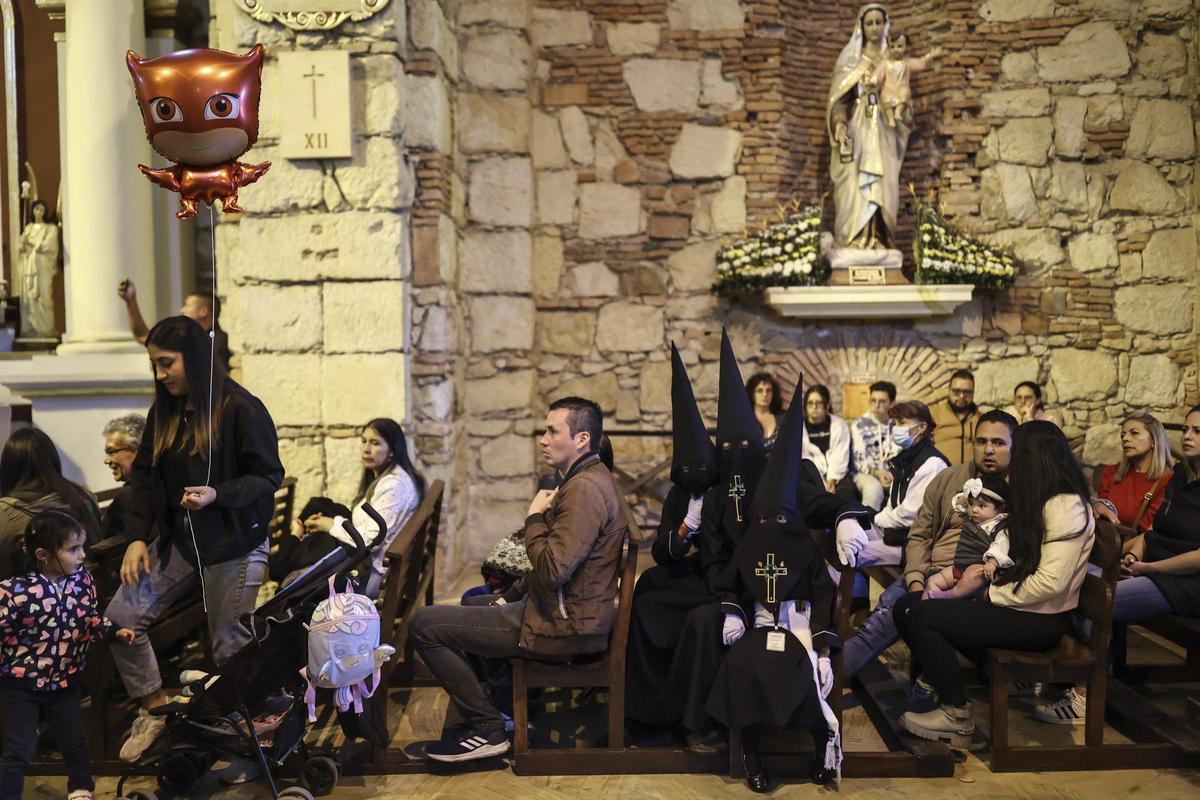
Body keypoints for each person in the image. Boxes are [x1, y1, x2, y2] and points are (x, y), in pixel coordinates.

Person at [409, 396, 627, 763]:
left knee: (423, 623)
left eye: (552, 431)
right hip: (560, 612)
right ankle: (502, 710)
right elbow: (559, 566)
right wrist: (509, 593)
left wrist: (533, 518)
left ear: (582, 439)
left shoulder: (584, 489)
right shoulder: (584, 480)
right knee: (473, 601)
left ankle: (486, 727)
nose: (543, 439)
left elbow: (553, 569)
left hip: (562, 625)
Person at [105, 315, 283, 762]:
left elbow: (267, 478)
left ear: (196, 358)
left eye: (168, 364)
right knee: (120, 617)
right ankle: (155, 710)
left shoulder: (239, 407)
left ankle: (248, 732)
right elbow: (143, 478)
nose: (162, 375)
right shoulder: (163, 410)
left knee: (228, 642)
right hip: (182, 544)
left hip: (233, 543)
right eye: (156, 366)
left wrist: (217, 494)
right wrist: (136, 538)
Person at [895, 421, 1095, 746]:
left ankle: (954, 713)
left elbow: (1050, 583)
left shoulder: (1066, 506)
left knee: (919, 614)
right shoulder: (1043, 498)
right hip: (1020, 608)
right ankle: (944, 696)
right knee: (909, 606)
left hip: (1039, 621)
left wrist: (988, 593)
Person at [704, 376, 846, 791]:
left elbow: (823, 596)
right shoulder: (749, 548)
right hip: (760, 624)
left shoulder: (805, 550)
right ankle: (752, 754)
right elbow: (729, 582)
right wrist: (732, 612)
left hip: (799, 626)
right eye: (765, 519)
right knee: (745, 667)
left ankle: (822, 752)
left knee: (801, 673)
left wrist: (822, 651)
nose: (773, 528)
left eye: (782, 519)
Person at [1035, 405, 1198, 726]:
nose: (1188, 436)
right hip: (1152, 564)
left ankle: (1085, 694)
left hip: (1184, 581)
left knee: (1096, 601)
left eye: (1198, 431)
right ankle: (1053, 671)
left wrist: (1148, 569)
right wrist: (1133, 556)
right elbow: (1154, 531)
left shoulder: (1170, 474)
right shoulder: (1182, 475)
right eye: (1188, 429)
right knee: (1076, 581)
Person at [841, 409, 1017, 679]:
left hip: (983, 586)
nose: (989, 450)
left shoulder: (1022, 487)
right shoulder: (949, 479)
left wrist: (1098, 502)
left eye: (998, 442)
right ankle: (819, 685)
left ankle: (930, 692)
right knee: (879, 623)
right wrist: (915, 581)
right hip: (933, 574)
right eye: (981, 442)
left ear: (1014, 446)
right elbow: (920, 534)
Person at [0, 510, 135, 800]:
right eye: (73, 549)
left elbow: (89, 618)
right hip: (23, 686)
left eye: (82, 547)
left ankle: (81, 788)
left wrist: (113, 632)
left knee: (74, 741)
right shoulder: (15, 592)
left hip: (65, 679)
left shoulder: (81, 581)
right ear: (43, 554)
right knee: (19, 749)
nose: (82, 555)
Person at [626, 344, 723, 748]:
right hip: (695, 569)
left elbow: (725, 549)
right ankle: (639, 705)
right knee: (646, 584)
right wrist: (685, 528)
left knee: (651, 604)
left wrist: (707, 526)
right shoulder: (682, 494)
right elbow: (664, 551)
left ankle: (663, 708)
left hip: (719, 578)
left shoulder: (726, 492)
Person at [298, 418, 424, 597]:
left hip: (374, 573)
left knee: (310, 554)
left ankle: (287, 550)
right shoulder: (388, 476)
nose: (366, 449)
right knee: (319, 505)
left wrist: (331, 525)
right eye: (364, 441)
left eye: (375, 443)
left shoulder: (394, 484)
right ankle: (290, 548)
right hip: (373, 561)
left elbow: (370, 540)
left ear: (392, 451)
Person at [827, 3, 906, 250]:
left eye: (878, 23)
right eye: (869, 23)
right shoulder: (851, 61)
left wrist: (900, 107)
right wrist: (839, 124)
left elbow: (903, 93)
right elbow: (840, 100)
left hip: (883, 127)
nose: (874, 28)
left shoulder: (893, 59)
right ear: (861, 27)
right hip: (858, 126)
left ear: (885, 26)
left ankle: (880, 239)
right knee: (852, 182)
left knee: (883, 184)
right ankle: (854, 240)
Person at [0, 429, 101, 579]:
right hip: (85, 585)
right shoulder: (84, 496)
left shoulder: (6, 512)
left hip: (34, 597)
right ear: (53, 460)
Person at [858, 400, 948, 567]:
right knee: (851, 534)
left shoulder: (932, 463)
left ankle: (827, 592)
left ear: (921, 427)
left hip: (916, 543)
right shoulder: (906, 457)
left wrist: (876, 518)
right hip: (898, 534)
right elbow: (893, 505)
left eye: (901, 423)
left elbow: (910, 514)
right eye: (895, 423)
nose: (896, 428)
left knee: (853, 552)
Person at [923, 476, 1011, 600]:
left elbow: (1001, 545)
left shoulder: (1000, 526)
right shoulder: (972, 517)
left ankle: (951, 595)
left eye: (981, 506)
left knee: (973, 574)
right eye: (971, 504)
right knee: (934, 580)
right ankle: (925, 606)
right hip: (960, 567)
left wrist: (992, 563)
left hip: (983, 570)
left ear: (1001, 508)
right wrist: (965, 499)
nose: (974, 510)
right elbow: (957, 505)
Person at [1091, 411, 1174, 538]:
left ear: (1154, 440)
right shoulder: (1111, 473)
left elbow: (1147, 535)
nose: (1125, 438)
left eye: (1134, 433)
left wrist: (1115, 555)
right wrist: (1096, 505)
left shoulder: (1167, 480)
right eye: (1123, 435)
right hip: (1103, 544)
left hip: (1133, 553)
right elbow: (1101, 519)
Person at [117, 279, 232, 369]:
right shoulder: (182, 336)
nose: (182, 310)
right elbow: (142, 336)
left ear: (203, 311)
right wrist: (131, 301)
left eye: (187, 305)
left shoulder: (218, 340)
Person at [850, 380, 897, 510]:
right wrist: (878, 473)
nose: (876, 405)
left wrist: (893, 475)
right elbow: (859, 461)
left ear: (892, 403)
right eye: (873, 400)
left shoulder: (899, 425)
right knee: (874, 489)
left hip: (893, 474)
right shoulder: (859, 424)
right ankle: (866, 528)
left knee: (905, 488)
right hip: (866, 473)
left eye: (882, 401)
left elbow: (903, 456)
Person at [879, 31, 941, 127]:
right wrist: (872, 80)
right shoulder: (885, 64)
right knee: (886, 98)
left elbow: (919, 62)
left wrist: (930, 56)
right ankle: (890, 118)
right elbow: (878, 74)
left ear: (905, 47)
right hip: (888, 88)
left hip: (902, 87)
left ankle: (898, 112)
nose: (896, 50)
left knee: (904, 93)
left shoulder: (907, 63)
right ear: (888, 48)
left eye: (899, 46)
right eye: (892, 47)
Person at [100, 414, 147, 540]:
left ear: (139, 451)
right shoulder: (156, 484)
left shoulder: (129, 497)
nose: (106, 460)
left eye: (112, 452)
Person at [18, 200, 60, 338]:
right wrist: (22, 244)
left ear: (45, 212)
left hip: (42, 268)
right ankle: (30, 328)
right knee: (30, 297)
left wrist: (30, 243)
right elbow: (21, 249)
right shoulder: (28, 228)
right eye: (36, 209)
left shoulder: (50, 228)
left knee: (43, 297)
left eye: (41, 209)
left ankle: (46, 329)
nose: (39, 212)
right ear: (32, 211)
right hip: (29, 267)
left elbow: (48, 246)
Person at [801, 384, 851, 494]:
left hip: (838, 476)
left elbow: (841, 454)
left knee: (846, 494)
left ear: (827, 405)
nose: (814, 407)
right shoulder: (799, 427)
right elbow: (804, 458)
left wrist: (831, 480)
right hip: (811, 477)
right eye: (810, 403)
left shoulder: (839, 425)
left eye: (819, 403)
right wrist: (820, 481)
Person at [930, 369, 981, 466]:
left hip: (972, 477)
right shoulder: (934, 414)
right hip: (942, 476)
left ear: (973, 393)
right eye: (957, 391)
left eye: (967, 392)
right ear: (949, 390)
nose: (962, 396)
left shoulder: (981, 419)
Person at [745, 372, 784, 449]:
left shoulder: (783, 418)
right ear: (752, 394)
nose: (765, 394)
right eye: (759, 390)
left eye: (768, 390)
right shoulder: (745, 420)